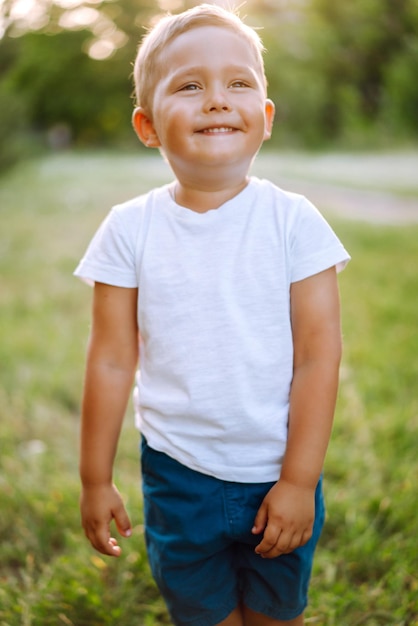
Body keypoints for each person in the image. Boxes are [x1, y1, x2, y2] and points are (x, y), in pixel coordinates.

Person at [74, 4, 350, 626]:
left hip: (277, 466)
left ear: (266, 117)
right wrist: (95, 479)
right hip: (178, 474)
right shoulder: (129, 230)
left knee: (277, 614)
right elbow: (113, 359)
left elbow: (317, 355)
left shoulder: (294, 222)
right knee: (202, 614)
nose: (218, 100)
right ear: (148, 126)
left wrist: (299, 482)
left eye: (240, 83)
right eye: (190, 86)